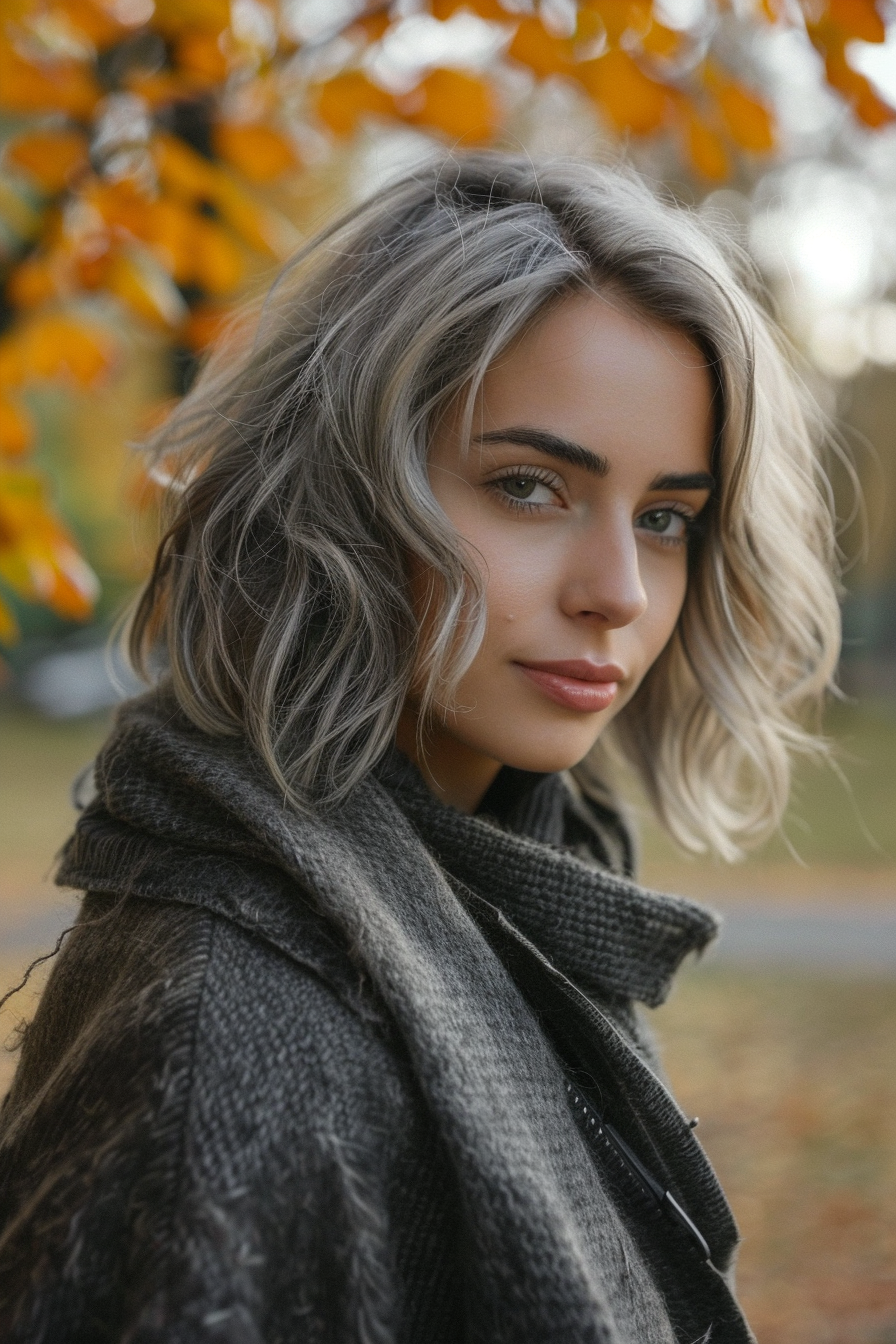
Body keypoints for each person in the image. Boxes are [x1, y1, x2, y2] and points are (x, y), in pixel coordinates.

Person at [0, 154, 840, 1343]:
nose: (617, 592)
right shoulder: (232, 1053)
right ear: (339, 491)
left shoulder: (524, 900)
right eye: (529, 487)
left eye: (664, 518)